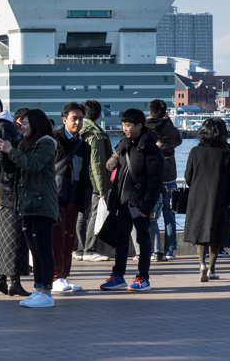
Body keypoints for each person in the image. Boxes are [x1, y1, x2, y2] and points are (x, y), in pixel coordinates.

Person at [0, 109, 59, 308]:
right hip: (27, 203)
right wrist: (6, 153)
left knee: (43, 250)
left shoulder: (47, 143)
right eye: (21, 123)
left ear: (36, 124)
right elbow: (17, 167)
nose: (21, 126)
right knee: (35, 249)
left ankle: (47, 292)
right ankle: (38, 289)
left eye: (25, 123)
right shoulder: (26, 144)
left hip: (41, 203)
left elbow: (33, 165)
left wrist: (11, 151)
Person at [100, 108, 164, 292]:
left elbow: (155, 181)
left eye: (127, 125)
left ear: (139, 125)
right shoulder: (124, 144)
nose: (124, 129)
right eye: (123, 125)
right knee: (121, 239)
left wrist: (148, 204)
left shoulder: (151, 148)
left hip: (140, 202)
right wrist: (118, 150)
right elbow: (111, 167)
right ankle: (118, 276)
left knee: (143, 240)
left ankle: (143, 278)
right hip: (122, 200)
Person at [184, 118, 230, 282]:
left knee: (200, 232)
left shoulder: (195, 151)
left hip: (197, 197)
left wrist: (195, 186)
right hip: (219, 197)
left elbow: (187, 176)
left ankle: (201, 264)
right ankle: (211, 270)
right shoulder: (226, 152)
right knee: (216, 234)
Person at [0, 98, 29, 295]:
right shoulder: (2, 126)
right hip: (7, 183)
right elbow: (1, 155)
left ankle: (3, 280)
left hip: (3, 182)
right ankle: (12, 282)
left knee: (7, 232)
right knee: (13, 233)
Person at [51, 102, 91, 293]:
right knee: (57, 237)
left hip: (76, 196)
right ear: (64, 119)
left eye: (81, 118)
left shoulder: (83, 144)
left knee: (70, 237)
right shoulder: (54, 139)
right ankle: (55, 277)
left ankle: (64, 276)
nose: (78, 122)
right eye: (74, 118)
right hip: (58, 196)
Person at [146, 99, 182, 260]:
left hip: (150, 176)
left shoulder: (144, 128)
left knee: (150, 215)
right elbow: (178, 141)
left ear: (150, 112)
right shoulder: (171, 129)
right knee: (170, 214)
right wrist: (168, 120)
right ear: (165, 112)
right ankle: (170, 250)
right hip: (169, 177)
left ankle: (153, 250)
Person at [76, 100, 112, 262]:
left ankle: (78, 249)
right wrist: (102, 188)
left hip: (78, 180)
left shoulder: (78, 131)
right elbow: (97, 164)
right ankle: (89, 250)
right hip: (92, 182)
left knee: (81, 215)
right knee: (94, 215)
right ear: (99, 115)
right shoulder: (95, 135)